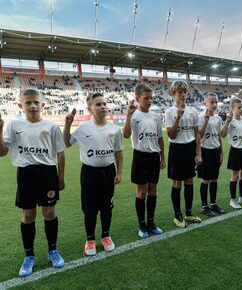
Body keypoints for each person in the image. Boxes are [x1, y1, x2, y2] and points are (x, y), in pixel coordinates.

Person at [0, 89, 65, 277]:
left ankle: (53, 250)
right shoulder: (14, 124)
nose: (33, 106)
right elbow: (2, 152)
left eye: (36, 102)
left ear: (43, 104)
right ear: (21, 105)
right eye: (28, 102)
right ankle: (29, 256)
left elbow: (60, 153)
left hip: (47, 173)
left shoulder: (51, 127)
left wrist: (60, 178)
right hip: (26, 173)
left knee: (49, 211)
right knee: (28, 214)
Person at [63, 92, 123, 255]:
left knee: (106, 207)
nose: (103, 106)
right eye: (98, 104)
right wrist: (68, 125)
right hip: (89, 172)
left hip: (108, 172)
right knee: (90, 208)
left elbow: (118, 151)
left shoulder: (114, 128)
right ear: (90, 109)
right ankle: (90, 240)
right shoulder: (83, 128)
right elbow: (66, 143)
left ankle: (105, 236)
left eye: (104, 103)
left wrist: (119, 172)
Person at [122, 84, 165, 238]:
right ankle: (142, 224)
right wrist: (128, 115)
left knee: (153, 190)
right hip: (140, 157)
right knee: (141, 192)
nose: (149, 101)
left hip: (154, 157)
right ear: (137, 98)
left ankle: (151, 222)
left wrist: (162, 158)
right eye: (146, 98)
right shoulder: (134, 116)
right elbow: (126, 135)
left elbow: (160, 138)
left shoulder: (156, 116)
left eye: (151, 98)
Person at [165, 80, 202, 228]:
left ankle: (188, 212)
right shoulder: (169, 112)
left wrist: (198, 153)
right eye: (180, 92)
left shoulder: (193, 111)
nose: (183, 95)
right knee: (177, 182)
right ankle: (177, 214)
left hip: (189, 148)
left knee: (189, 181)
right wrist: (178, 117)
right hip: (176, 148)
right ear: (174, 94)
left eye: (185, 92)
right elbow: (171, 135)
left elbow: (197, 134)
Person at [221, 98, 242, 209]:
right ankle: (233, 199)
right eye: (238, 107)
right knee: (235, 175)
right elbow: (223, 135)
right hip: (235, 150)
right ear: (232, 109)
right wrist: (227, 122)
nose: (241, 109)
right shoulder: (231, 121)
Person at [197, 92, 225, 217]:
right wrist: (206, 121)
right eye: (211, 102)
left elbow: (218, 136)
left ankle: (213, 203)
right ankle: (204, 206)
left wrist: (221, 152)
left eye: (216, 102)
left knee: (214, 178)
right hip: (205, 151)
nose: (214, 104)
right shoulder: (201, 117)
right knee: (205, 179)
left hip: (215, 151)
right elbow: (199, 135)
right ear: (205, 103)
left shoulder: (218, 118)